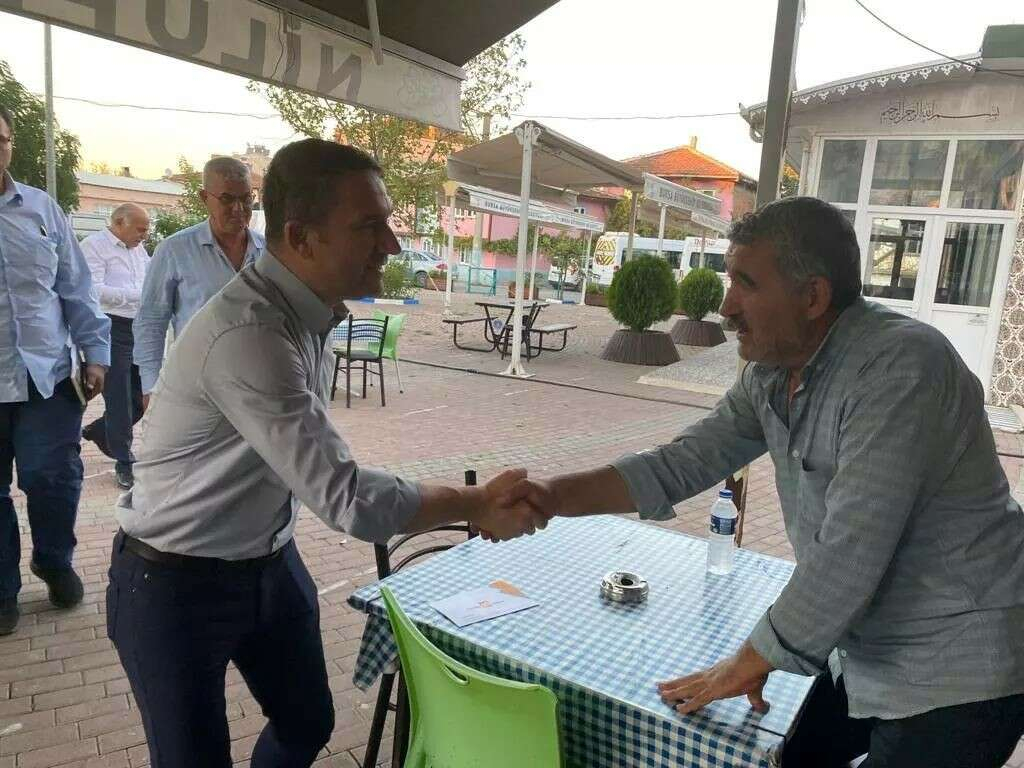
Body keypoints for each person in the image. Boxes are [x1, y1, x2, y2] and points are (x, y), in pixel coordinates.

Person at [505, 196, 1024, 768]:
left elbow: (851, 549)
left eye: (745, 284)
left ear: (813, 297)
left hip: (958, 667)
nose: (726, 306)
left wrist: (751, 658)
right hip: (865, 649)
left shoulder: (901, 366)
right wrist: (551, 497)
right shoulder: (773, 374)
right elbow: (681, 462)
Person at [107, 138, 547, 768]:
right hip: (173, 579)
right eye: (369, 226)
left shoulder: (307, 313)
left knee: (307, 722)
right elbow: (347, 499)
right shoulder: (251, 332)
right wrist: (474, 502)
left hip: (268, 560)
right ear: (300, 237)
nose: (392, 245)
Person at [0, 104, 110, 634]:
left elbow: (76, 286)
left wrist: (96, 353)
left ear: (10, 143)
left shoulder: (42, 209)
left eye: (0, 139)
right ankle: (2, 591)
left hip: (46, 376)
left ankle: (53, 559)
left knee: (52, 476)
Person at [133, 156, 263, 405]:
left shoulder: (268, 252)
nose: (239, 208)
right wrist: (150, 386)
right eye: (227, 199)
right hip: (196, 390)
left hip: (258, 389)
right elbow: (151, 320)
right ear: (205, 198)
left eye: (246, 198)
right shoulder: (175, 250)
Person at [80, 203, 149, 490]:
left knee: (140, 396)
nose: (144, 235)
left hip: (139, 328)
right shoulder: (94, 247)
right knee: (118, 396)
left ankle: (97, 430)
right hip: (110, 327)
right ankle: (124, 461)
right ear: (120, 223)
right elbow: (92, 290)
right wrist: (136, 297)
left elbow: (149, 282)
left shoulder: (139, 251)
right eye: (140, 229)